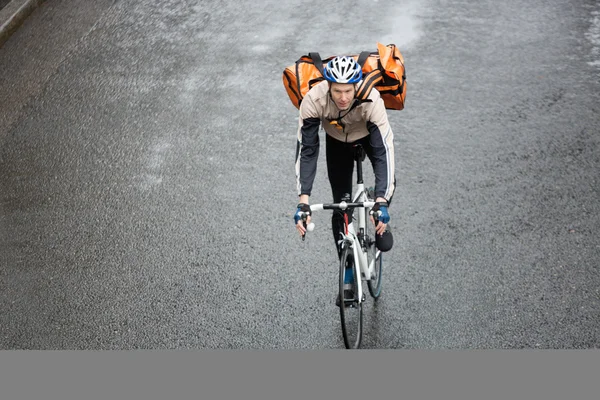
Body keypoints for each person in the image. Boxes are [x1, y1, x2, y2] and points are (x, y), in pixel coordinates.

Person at [292, 55, 395, 305]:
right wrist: (303, 202)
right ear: (328, 86)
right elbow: (307, 151)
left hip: (368, 137)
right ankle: (347, 267)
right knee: (341, 206)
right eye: (337, 90)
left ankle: (378, 212)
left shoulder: (372, 99)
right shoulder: (313, 100)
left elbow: (384, 155)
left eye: (348, 91)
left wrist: (382, 200)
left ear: (355, 86)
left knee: (382, 197)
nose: (343, 97)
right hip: (337, 141)